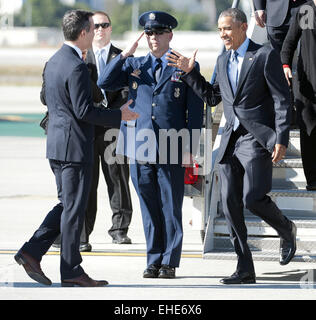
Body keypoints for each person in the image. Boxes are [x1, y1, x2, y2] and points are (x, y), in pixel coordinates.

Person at [167, 8, 297, 284]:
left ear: (242, 27)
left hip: (256, 138)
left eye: (227, 28)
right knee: (229, 204)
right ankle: (245, 267)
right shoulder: (222, 58)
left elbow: (281, 100)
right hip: (229, 140)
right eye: (219, 30)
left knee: (253, 198)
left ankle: (286, 229)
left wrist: (281, 138)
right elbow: (213, 97)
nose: (223, 34)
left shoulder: (264, 55)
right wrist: (191, 73)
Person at [14, 9, 138, 287]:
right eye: (92, 29)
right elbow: (84, 111)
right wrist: (121, 115)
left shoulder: (54, 61)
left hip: (57, 145)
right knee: (73, 209)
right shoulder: (77, 66)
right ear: (83, 33)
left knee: (68, 206)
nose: (95, 34)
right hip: (74, 148)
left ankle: (32, 253)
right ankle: (69, 270)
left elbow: (47, 98)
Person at [98, 11, 203, 279]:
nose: (153, 38)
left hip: (172, 144)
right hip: (139, 143)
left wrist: (191, 147)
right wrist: (123, 55)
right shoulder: (135, 64)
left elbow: (194, 110)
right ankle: (153, 259)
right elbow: (104, 82)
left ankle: (170, 261)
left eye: (158, 32)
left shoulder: (184, 65)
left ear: (170, 35)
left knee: (170, 204)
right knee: (148, 204)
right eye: (149, 33)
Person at [81, 11, 133, 249]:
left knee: (118, 179)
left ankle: (120, 229)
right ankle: (83, 233)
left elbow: (127, 91)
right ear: (89, 29)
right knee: (87, 182)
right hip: (88, 127)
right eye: (96, 26)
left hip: (113, 126)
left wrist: (112, 113)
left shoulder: (123, 57)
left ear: (111, 28)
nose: (100, 29)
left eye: (104, 25)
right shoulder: (81, 56)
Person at [281, 0, 316, 190]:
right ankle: (312, 180)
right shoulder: (307, 11)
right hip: (307, 83)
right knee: (309, 131)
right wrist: (285, 65)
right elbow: (290, 42)